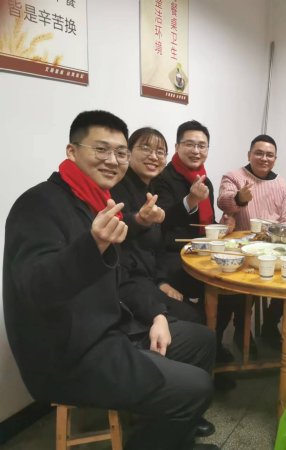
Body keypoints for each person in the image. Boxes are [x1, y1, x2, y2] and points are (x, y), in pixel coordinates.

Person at [3, 111, 218, 450]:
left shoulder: (96, 202)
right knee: (197, 387)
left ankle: (175, 431)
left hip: (111, 327)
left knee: (202, 340)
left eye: (120, 152)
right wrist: (92, 246)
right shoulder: (38, 204)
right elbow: (33, 289)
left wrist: (157, 314)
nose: (113, 160)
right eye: (101, 149)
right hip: (70, 354)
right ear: (72, 151)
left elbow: (126, 274)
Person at [151, 121, 236, 365]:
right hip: (172, 256)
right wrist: (190, 200)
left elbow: (204, 225)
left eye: (202, 145)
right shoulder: (163, 178)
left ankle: (214, 343)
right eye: (189, 144)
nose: (196, 151)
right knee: (202, 302)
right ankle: (202, 351)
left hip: (201, 254)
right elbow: (162, 222)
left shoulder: (204, 180)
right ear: (177, 146)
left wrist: (222, 225)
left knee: (231, 291)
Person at [112, 127, 204, 324]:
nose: (154, 156)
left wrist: (161, 281)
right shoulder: (117, 185)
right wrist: (140, 219)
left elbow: (158, 240)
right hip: (127, 281)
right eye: (146, 148)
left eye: (160, 152)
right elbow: (120, 226)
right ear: (128, 152)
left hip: (152, 272)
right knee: (195, 318)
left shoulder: (152, 185)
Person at [217, 134, 286, 355]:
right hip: (241, 248)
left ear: (275, 159)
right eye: (259, 153)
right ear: (249, 154)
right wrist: (240, 198)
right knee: (239, 288)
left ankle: (270, 324)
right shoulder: (234, 176)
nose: (264, 158)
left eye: (269, 155)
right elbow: (223, 201)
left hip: (273, 246)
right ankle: (242, 330)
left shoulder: (280, 183)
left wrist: (281, 237)